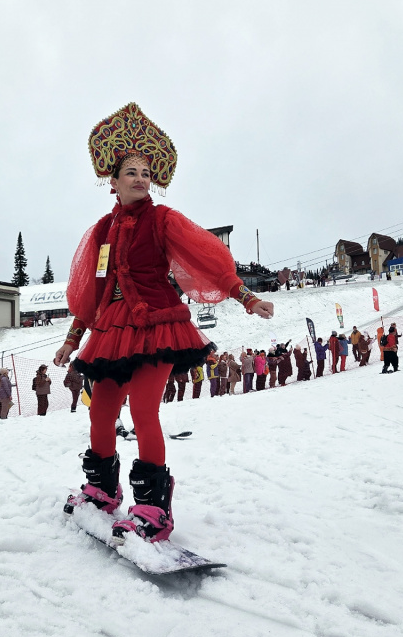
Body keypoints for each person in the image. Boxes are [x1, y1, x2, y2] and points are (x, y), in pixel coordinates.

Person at [56, 103, 273, 543]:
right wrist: (72, 339)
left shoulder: (163, 219)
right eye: (131, 172)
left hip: (158, 326)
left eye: (145, 172)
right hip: (112, 331)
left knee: (142, 411)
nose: (140, 179)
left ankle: (154, 508)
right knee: (101, 410)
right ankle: (102, 490)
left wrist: (245, 296)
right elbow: (93, 291)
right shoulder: (102, 231)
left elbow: (205, 257)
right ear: (113, 181)